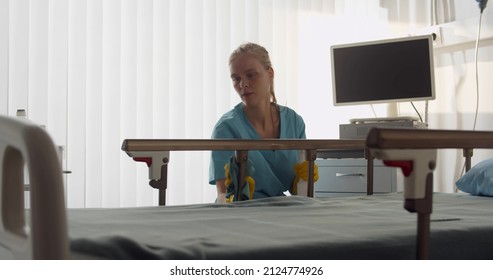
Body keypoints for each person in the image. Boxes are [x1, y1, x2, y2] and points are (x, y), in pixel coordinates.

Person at [208, 42, 316, 203]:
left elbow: (299, 191)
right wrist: (233, 198)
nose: (243, 84)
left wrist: (302, 181)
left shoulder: (294, 122)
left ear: (270, 73)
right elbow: (222, 194)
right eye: (236, 78)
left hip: (283, 209)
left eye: (251, 75)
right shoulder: (226, 128)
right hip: (242, 212)